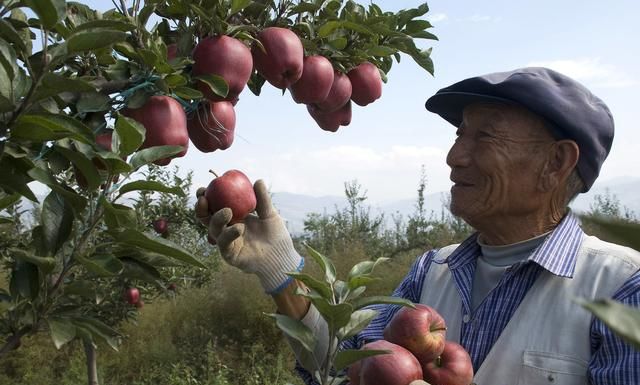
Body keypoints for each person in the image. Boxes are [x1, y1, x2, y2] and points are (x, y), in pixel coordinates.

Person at [195, 67, 640, 384]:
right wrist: (279, 267)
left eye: (484, 136)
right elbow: (344, 364)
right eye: (458, 134)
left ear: (556, 163)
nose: (454, 157)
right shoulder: (433, 271)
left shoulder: (622, 290)